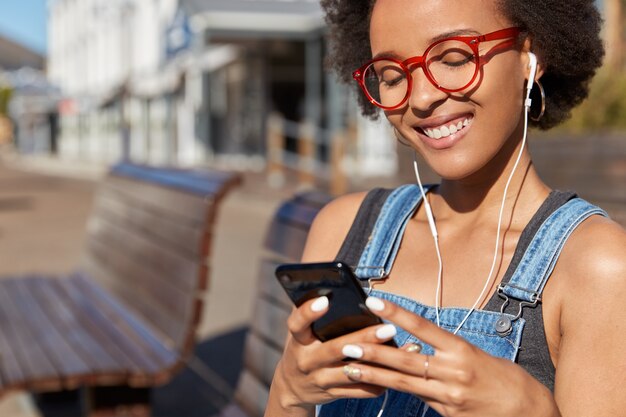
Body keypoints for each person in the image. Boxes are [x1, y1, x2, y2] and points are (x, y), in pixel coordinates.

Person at [265, 0, 626, 416]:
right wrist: (288, 393)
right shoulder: (343, 228)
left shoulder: (594, 265)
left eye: (454, 58)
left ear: (532, 57)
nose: (420, 98)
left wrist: (532, 410)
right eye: (392, 74)